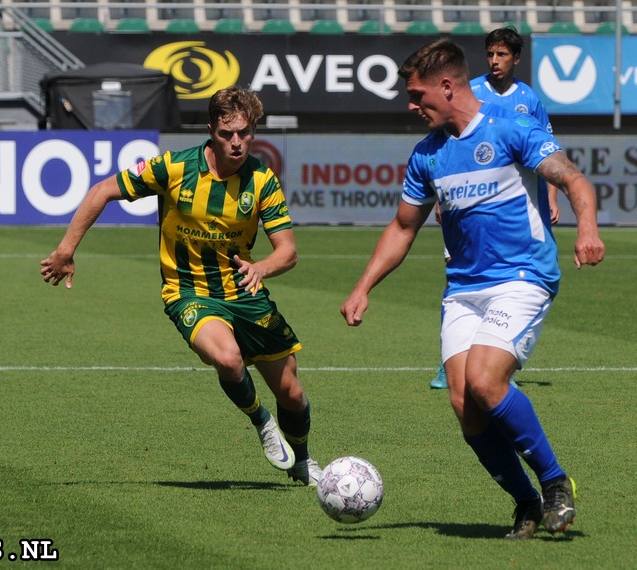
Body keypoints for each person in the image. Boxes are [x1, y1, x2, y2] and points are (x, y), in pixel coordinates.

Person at [341, 39, 604, 539]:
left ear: (447, 86)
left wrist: (586, 228)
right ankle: (526, 504)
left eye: (418, 96)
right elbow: (402, 228)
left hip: (522, 276)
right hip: (463, 289)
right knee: (464, 403)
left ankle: (553, 482)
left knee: (485, 382)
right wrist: (363, 286)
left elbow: (573, 180)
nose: (411, 106)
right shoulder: (427, 155)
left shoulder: (511, 130)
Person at [40, 86, 321, 486]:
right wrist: (66, 249)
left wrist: (263, 268)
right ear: (211, 130)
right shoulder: (174, 168)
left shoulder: (262, 180)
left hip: (245, 292)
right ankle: (262, 422)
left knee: (292, 393)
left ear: (253, 130)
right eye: (227, 134)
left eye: (244, 133)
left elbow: (288, 250)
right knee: (227, 359)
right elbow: (103, 190)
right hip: (188, 292)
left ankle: (303, 461)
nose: (236, 142)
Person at [429, 26, 560, 389]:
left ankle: (496, 361)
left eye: (502, 55)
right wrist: (443, 198)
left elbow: (545, 154)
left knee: (504, 278)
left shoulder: (528, 100)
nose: (494, 61)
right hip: (463, 203)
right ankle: (449, 361)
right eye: (490, 54)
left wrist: (549, 197)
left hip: (508, 206)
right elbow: (448, 146)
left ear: (516, 58)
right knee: (457, 273)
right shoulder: (472, 90)